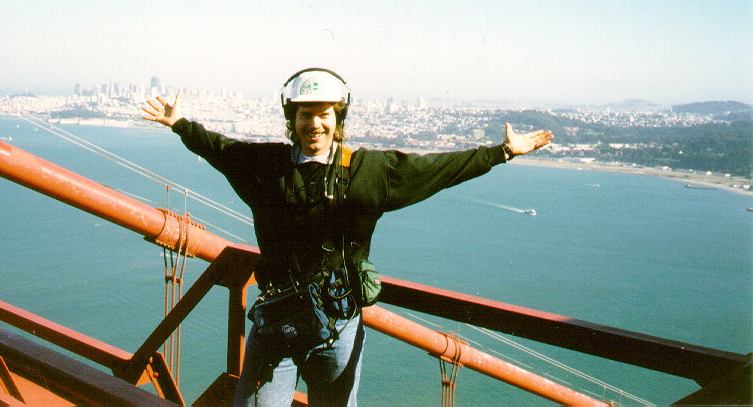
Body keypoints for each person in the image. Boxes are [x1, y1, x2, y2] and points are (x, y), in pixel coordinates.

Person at [141, 68, 553, 407]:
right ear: (291, 119)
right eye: (305, 114)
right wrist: (179, 124)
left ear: (339, 118)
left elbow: (436, 171)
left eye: (324, 114)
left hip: (337, 328)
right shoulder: (264, 166)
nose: (314, 124)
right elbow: (219, 148)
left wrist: (501, 152)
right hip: (277, 325)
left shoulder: (369, 173)